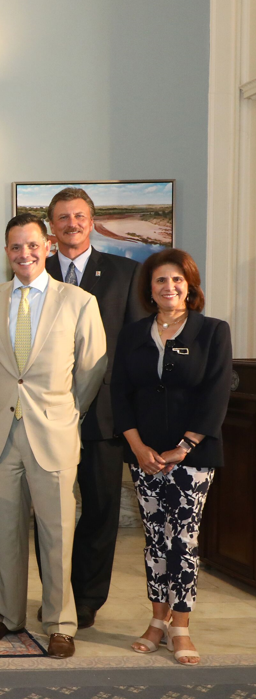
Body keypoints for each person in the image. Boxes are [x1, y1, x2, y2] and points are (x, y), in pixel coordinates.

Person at [0, 214, 106, 659]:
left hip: (54, 434)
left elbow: (91, 369)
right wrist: (4, 402)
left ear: (47, 246)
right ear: (6, 251)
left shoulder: (79, 301)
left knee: (57, 534)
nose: (24, 254)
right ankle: (9, 615)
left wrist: (65, 412)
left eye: (31, 245)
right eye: (14, 247)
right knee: (6, 533)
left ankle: (61, 623)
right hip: (3, 433)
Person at [31, 187, 147, 629]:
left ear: (92, 221)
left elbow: (135, 349)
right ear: (52, 226)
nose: (71, 224)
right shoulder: (37, 274)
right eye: (62, 218)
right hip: (48, 415)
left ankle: (88, 600)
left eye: (78, 216)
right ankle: (55, 596)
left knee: (99, 512)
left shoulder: (126, 274)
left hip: (104, 416)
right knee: (49, 513)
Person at [111, 249, 231, 666]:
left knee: (182, 538)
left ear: (190, 286)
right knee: (155, 540)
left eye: (177, 280)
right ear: (150, 288)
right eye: (161, 280)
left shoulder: (213, 331)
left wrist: (184, 446)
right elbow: (119, 395)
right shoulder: (132, 335)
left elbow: (216, 394)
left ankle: (180, 625)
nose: (169, 287)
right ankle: (156, 620)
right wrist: (138, 447)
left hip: (192, 457)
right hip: (144, 455)